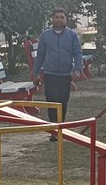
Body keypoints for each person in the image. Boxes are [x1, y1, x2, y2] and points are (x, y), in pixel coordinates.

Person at [32, 8, 84, 140]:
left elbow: (77, 53)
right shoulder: (45, 35)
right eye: (57, 17)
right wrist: (35, 73)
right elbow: (40, 55)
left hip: (65, 75)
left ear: (66, 19)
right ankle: (54, 131)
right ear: (52, 19)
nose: (59, 20)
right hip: (49, 74)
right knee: (52, 101)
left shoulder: (72, 35)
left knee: (63, 102)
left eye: (62, 17)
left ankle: (61, 127)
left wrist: (77, 70)